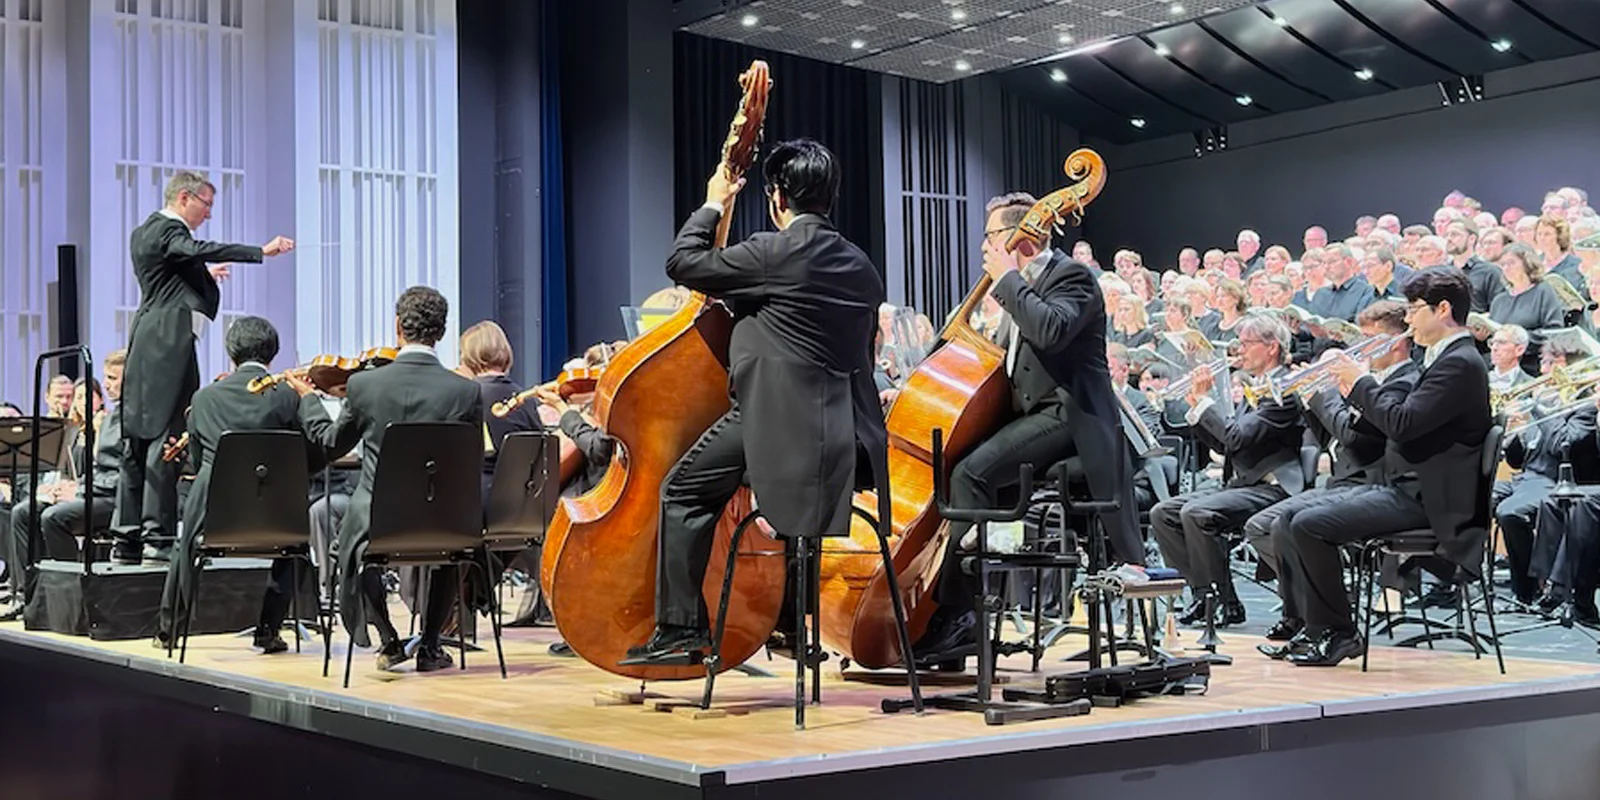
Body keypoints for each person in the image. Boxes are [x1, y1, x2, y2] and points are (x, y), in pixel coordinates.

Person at [622, 139, 889, 665]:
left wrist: (714, 202)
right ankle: (789, 621)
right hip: (846, 443)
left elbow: (684, 262)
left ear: (777, 198)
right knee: (759, 496)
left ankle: (680, 634)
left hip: (780, 429)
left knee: (683, 491)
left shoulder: (775, 252)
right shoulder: (862, 266)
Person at [916, 190, 1143, 659]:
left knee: (971, 474)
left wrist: (1008, 281)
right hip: (1031, 416)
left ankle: (962, 615)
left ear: (1026, 234)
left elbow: (1050, 331)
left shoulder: (1072, 278)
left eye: (991, 236)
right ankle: (965, 591)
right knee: (956, 464)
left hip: (1069, 417)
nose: (984, 246)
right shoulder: (1016, 287)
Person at [1275, 268, 1492, 667]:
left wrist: (1359, 383)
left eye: (1414, 309)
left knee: (1309, 524)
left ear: (1442, 309)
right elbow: (1405, 424)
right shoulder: (1447, 359)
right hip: (1407, 486)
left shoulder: (1460, 363)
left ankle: (1340, 634)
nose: (1408, 319)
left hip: (1430, 499)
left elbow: (1402, 424)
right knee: (1291, 517)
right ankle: (1315, 627)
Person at [292, 286, 483, 673]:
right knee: (450, 550)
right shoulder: (466, 391)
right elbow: (471, 460)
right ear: (442, 332)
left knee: (345, 551)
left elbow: (330, 445)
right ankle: (430, 645)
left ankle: (388, 638)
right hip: (441, 522)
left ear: (398, 327)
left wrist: (309, 401)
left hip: (376, 523)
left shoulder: (365, 385)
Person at [117, 170, 294, 566]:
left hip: (147, 338)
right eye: (206, 204)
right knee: (168, 433)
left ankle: (126, 536)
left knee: (138, 435)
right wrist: (260, 251)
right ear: (184, 197)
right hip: (168, 342)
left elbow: (171, 270)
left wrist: (202, 275)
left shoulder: (145, 231)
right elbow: (194, 248)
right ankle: (157, 535)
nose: (209, 213)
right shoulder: (169, 230)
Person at [1245, 302, 1417, 653]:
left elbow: (1355, 438)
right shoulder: (1372, 383)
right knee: (1273, 525)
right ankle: (1302, 619)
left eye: (1369, 339)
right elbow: (1331, 437)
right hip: (1344, 481)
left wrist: (1321, 394)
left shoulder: (1401, 383)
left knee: (1290, 523)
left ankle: (1323, 615)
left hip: (1372, 484)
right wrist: (1313, 399)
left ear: (1395, 341)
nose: (1360, 349)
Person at [154, 317, 323, 653]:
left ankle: (169, 631)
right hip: (277, 516)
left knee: (185, 545)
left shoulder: (204, 399)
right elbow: (310, 456)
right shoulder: (291, 397)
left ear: (231, 353)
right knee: (296, 544)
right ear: (273, 353)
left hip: (217, 513)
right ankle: (268, 629)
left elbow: (202, 461)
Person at [1150, 314, 1306, 628]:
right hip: (1244, 484)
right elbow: (1227, 446)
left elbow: (1235, 436)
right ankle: (1203, 595)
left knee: (1197, 513)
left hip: (1274, 487)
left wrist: (1207, 401)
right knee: (1163, 513)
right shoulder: (1257, 387)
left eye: (1246, 344)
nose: (1240, 351)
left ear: (1271, 347)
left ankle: (1221, 602)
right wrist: (1197, 407)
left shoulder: (1283, 391)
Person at [4, 354, 125, 613]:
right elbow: (99, 469)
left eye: (112, 378)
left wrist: (78, 489)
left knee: (54, 518)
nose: (106, 384)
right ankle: (28, 596)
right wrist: (70, 488)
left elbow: (124, 475)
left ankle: (72, 597)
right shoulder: (112, 420)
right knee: (22, 512)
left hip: (116, 498)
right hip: (93, 489)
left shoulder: (126, 419)